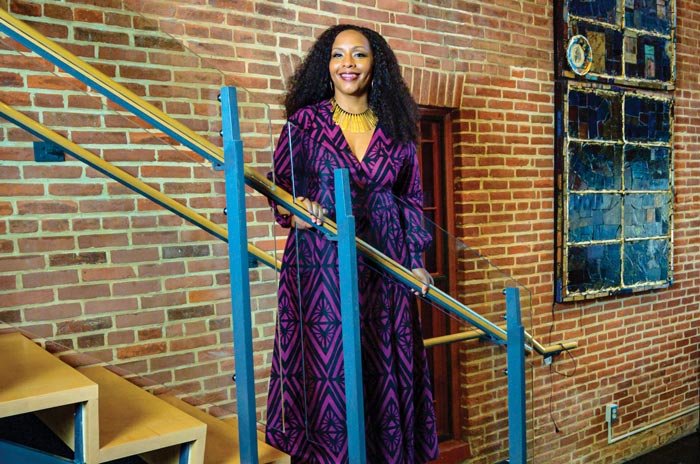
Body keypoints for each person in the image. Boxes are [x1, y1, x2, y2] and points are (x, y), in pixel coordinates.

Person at [265, 23, 439, 463]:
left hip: (386, 264)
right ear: (326, 65)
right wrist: (297, 207)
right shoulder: (303, 125)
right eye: (338, 55)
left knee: (382, 369)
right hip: (321, 268)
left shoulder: (397, 128)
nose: (348, 64)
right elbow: (280, 188)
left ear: (374, 64)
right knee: (331, 369)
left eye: (359, 55)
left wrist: (415, 261)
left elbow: (412, 198)